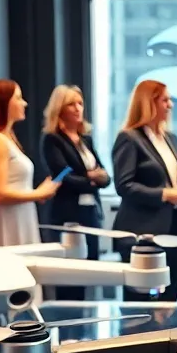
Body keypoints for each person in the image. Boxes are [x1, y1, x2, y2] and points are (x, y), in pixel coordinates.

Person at [112, 80, 177, 302]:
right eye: (165, 100)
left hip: (172, 228)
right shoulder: (129, 138)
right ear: (149, 103)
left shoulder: (171, 138)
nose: (171, 105)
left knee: (170, 296)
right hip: (142, 232)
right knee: (140, 303)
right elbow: (124, 185)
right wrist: (163, 194)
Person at [41, 84, 110, 300]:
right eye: (72, 104)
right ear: (60, 109)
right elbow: (62, 176)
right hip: (68, 215)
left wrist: (94, 177)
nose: (78, 108)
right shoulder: (53, 139)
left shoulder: (85, 140)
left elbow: (106, 176)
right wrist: (90, 177)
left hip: (91, 214)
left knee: (91, 271)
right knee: (71, 276)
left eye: (80, 103)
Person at [0, 79, 59, 247]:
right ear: (3, 103)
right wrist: (38, 194)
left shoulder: (7, 138)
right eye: (18, 98)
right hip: (7, 220)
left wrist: (37, 193)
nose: (24, 103)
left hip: (19, 216)